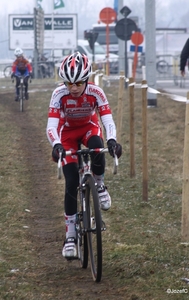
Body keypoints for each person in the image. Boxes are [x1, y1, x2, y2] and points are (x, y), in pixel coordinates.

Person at [46, 51, 122, 259]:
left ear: (86, 79)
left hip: (89, 127)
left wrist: (113, 140)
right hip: (67, 133)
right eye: (69, 83)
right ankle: (70, 236)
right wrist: (57, 145)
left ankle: (99, 184)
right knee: (71, 181)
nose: (74, 88)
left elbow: (107, 119)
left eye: (79, 83)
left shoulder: (96, 92)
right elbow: (52, 126)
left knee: (97, 145)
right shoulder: (58, 95)